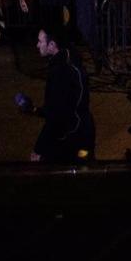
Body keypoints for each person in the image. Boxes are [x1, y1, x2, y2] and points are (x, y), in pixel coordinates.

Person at [18, 23, 96, 163]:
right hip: (82, 130)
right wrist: (34, 110)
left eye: (40, 41)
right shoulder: (69, 61)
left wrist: (39, 149)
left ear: (52, 45)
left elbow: (56, 115)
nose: (37, 45)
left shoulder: (60, 72)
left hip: (71, 135)